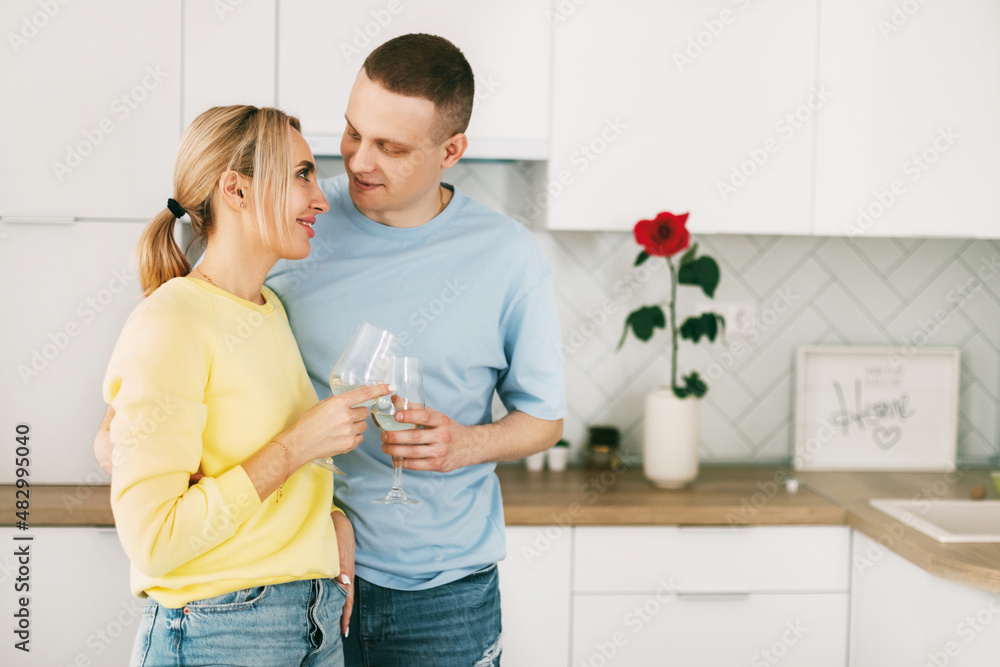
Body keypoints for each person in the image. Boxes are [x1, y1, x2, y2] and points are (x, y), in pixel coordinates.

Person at [97, 35, 566, 666]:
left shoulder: (508, 257)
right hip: (290, 590)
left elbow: (545, 420)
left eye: (391, 147)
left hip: (441, 589)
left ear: (450, 150)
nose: (357, 163)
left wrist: (466, 444)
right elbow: (141, 422)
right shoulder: (294, 226)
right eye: (351, 133)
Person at [100, 104, 389, 667]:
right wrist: (298, 445)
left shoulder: (269, 308)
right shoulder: (173, 320)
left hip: (311, 618)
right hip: (222, 630)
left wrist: (330, 524)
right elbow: (154, 542)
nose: (322, 198)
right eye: (302, 174)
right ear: (235, 190)